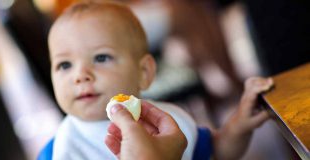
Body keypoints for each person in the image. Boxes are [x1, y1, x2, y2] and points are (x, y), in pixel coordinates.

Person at [39, 1, 273, 160]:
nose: (80, 75)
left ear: (144, 72)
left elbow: (217, 152)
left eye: (101, 57)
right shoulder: (58, 152)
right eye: (64, 65)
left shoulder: (167, 124)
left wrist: (240, 122)